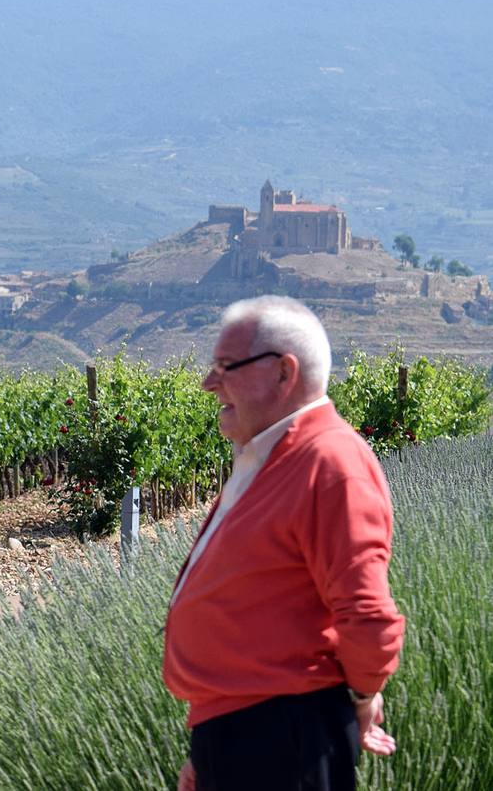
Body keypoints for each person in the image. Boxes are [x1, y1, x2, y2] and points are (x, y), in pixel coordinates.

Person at [164, 296, 406, 791]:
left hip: (281, 738)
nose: (210, 383)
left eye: (226, 367)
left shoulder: (329, 461)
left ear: (283, 373)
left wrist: (362, 697)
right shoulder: (275, 459)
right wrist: (212, 749)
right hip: (249, 736)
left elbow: (367, 614)